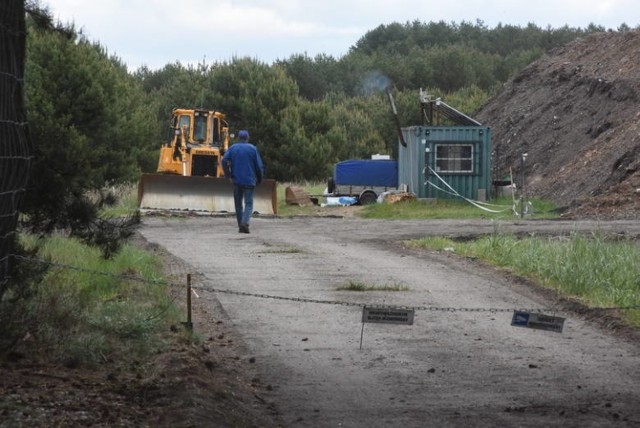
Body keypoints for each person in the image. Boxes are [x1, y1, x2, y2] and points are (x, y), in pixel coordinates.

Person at [222, 130, 264, 233]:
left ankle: (241, 224)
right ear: (248, 138)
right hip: (249, 180)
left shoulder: (233, 148)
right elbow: (258, 166)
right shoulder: (252, 149)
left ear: (238, 138)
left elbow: (223, 160)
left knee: (238, 204)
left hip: (237, 180)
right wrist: (259, 178)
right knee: (248, 203)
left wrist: (228, 175)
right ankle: (244, 223)